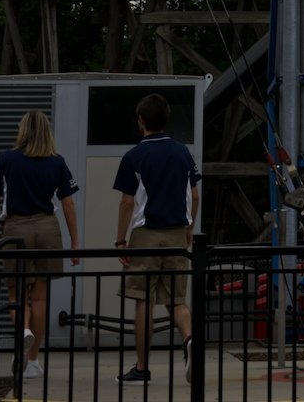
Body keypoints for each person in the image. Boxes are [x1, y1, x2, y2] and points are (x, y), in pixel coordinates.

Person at [0, 110, 80, 383]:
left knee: (16, 291)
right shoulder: (57, 161)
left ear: (23, 130)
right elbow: (68, 203)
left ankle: (24, 329)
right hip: (48, 227)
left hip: (17, 228)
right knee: (40, 296)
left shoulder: (7, 159)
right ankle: (34, 361)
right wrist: (74, 241)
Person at [113, 92, 201, 388]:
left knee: (144, 301)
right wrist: (189, 227)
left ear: (141, 121)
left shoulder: (134, 156)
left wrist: (120, 240)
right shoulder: (183, 153)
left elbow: (127, 202)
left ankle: (142, 368)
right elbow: (195, 195)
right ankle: (189, 339)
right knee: (177, 300)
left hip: (146, 235)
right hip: (177, 234)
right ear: (166, 120)